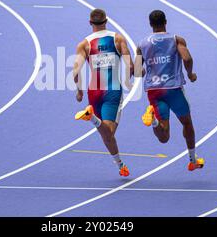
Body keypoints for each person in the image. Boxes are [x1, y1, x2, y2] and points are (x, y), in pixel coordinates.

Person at [135, 10, 204, 171]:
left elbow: (137, 70)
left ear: (150, 24)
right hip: (174, 89)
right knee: (187, 123)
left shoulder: (142, 44)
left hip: (154, 91)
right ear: (166, 21)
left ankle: (153, 120)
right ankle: (192, 159)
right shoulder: (176, 39)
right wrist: (190, 74)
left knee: (164, 136)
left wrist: (144, 71)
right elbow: (187, 58)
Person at [73, 9, 133, 177]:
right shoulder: (117, 38)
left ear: (90, 23)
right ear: (106, 21)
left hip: (94, 92)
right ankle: (91, 117)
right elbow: (130, 64)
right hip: (112, 90)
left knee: (105, 134)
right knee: (109, 131)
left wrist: (79, 92)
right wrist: (130, 79)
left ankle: (120, 165)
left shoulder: (84, 44)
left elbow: (75, 71)